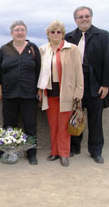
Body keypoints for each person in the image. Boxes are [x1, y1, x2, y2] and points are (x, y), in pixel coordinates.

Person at [65, 6, 109, 164]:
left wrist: (106, 84)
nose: (84, 19)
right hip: (75, 84)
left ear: (91, 17)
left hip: (96, 84)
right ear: (75, 20)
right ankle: (74, 147)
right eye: (80, 17)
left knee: (95, 119)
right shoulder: (69, 37)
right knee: (75, 117)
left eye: (86, 16)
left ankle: (96, 150)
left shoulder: (103, 35)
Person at [0, 20, 41, 165]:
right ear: (11, 33)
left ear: (26, 32)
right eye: (17, 30)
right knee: (8, 124)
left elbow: (39, 71)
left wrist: (40, 91)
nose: (20, 32)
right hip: (9, 93)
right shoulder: (5, 49)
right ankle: (6, 149)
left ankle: (31, 153)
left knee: (30, 125)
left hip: (29, 94)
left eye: (22, 30)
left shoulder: (32, 48)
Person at [37, 21, 83, 167]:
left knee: (64, 125)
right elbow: (40, 73)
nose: (55, 34)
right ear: (48, 35)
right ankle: (54, 152)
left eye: (58, 32)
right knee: (53, 124)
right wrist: (39, 90)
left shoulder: (72, 49)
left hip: (67, 92)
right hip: (49, 92)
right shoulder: (43, 49)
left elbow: (78, 71)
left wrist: (79, 90)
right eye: (52, 32)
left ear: (63, 34)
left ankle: (64, 153)